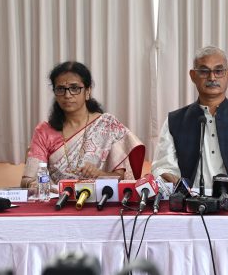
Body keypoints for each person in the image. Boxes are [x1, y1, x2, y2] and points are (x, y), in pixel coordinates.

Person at [152, 45, 228, 188]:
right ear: (193, 76)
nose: (212, 77)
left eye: (219, 71)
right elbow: (162, 167)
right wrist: (165, 176)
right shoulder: (175, 120)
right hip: (189, 200)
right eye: (204, 71)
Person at [21, 61, 145, 189]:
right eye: (60, 89)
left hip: (99, 198)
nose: (67, 95)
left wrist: (99, 174)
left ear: (87, 91)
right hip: (58, 199)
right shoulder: (44, 131)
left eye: (74, 88)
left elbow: (121, 178)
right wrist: (33, 184)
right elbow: (27, 179)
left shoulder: (107, 125)